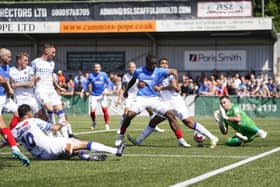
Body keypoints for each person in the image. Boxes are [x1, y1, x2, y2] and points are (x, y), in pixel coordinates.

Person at [127, 58, 219, 148]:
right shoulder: (156, 75)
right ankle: (138, 140)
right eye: (162, 63)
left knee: (188, 122)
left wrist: (161, 88)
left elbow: (174, 86)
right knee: (154, 121)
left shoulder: (169, 75)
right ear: (158, 65)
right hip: (165, 103)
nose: (164, 65)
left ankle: (212, 137)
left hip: (176, 102)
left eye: (166, 63)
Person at [115, 55, 190, 148]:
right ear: (146, 63)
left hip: (154, 99)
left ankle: (181, 140)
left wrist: (177, 84)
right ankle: (120, 136)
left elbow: (174, 71)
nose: (154, 66)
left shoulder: (159, 70)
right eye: (152, 64)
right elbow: (132, 80)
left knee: (170, 115)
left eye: (155, 64)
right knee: (129, 115)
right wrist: (126, 91)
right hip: (141, 98)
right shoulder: (139, 71)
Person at [11, 104, 125, 160]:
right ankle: (115, 151)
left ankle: (88, 157)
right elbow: (54, 128)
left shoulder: (15, 130)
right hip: (51, 147)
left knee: (71, 148)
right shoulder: (32, 121)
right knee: (83, 144)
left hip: (42, 156)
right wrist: (62, 123)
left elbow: (5, 142)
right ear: (29, 113)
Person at [31, 44, 73, 138]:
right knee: (50, 109)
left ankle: (65, 136)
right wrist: (34, 79)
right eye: (53, 52)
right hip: (41, 89)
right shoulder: (35, 62)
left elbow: (51, 76)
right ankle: (52, 131)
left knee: (60, 110)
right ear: (47, 51)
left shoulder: (52, 63)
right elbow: (30, 76)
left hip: (51, 89)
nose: (54, 55)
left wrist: (58, 86)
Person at [0, 48, 30, 166]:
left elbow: (5, 80)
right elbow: (2, 80)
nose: (10, 58)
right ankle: (12, 144)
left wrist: (8, 89)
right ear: (1, 56)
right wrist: (9, 89)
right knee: (1, 124)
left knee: (19, 112)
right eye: (8, 56)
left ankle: (11, 141)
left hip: (5, 98)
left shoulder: (7, 67)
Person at [116, 61, 164, 133]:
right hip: (130, 95)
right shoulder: (125, 76)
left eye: (134, 67)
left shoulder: (139, 74)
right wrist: (119, 98)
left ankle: (154, 126)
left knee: (150, 110)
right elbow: (123, 88)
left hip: (140, 95)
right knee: (126, 112)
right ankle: (120, 128)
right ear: (128, 68)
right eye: (131, 67)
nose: (132, 69)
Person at [9, 52, 47, 128]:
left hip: (31, 98)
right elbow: (8, 84)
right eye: (25, 60)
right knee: (21, 122)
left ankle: (50, 134)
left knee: (42, 115)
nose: (27, 62)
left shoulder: (30, 69)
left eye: (27, 60)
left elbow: (31, 83)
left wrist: (16, 85)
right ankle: (12, 136)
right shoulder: (11, 70)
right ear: (19, 61)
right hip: (19, 100)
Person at [80, 63, 112, 130]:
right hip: (94, 95)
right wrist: (82, 91)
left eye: (98, 67)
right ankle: (94, 122)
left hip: (102, 95)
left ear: (100, 68)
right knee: (92, 111)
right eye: (95, 67)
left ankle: (107, 124)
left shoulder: (104, 74)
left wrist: (107, 89)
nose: (97, 68)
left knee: (104, 109)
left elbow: (109, 83)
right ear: (94, 68)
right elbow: (86, 84)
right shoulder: (91, 76)